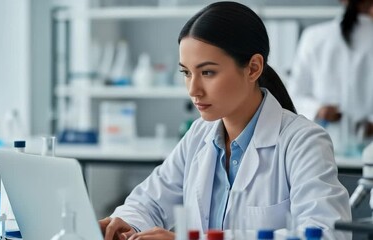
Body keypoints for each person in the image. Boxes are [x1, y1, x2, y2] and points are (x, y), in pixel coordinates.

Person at [99, 2, 351, 240]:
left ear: (253, 68)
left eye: (208, 72)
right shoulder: (200, 134)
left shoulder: (303, 141)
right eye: (186, 73)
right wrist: (125, 222)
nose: (193, 89)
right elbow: (150, 200)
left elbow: (326, 233)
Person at [288, 0, 373, 155]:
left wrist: (318, 110)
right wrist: (319, 110)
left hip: (318, 151)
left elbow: (293, 96)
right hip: (363, 153)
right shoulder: (315, 37)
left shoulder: (314, 36)